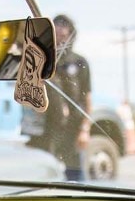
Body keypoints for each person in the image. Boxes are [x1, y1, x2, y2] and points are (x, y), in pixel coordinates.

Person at [27, 14, 92, 181]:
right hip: (48, 128)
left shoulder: (79, 61)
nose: (60, 33)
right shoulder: (41, 60)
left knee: (75, 175)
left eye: (64, 29)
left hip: (73, 127)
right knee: (46, 173)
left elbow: (88, 99)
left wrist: (85, 130)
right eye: (55, 29)